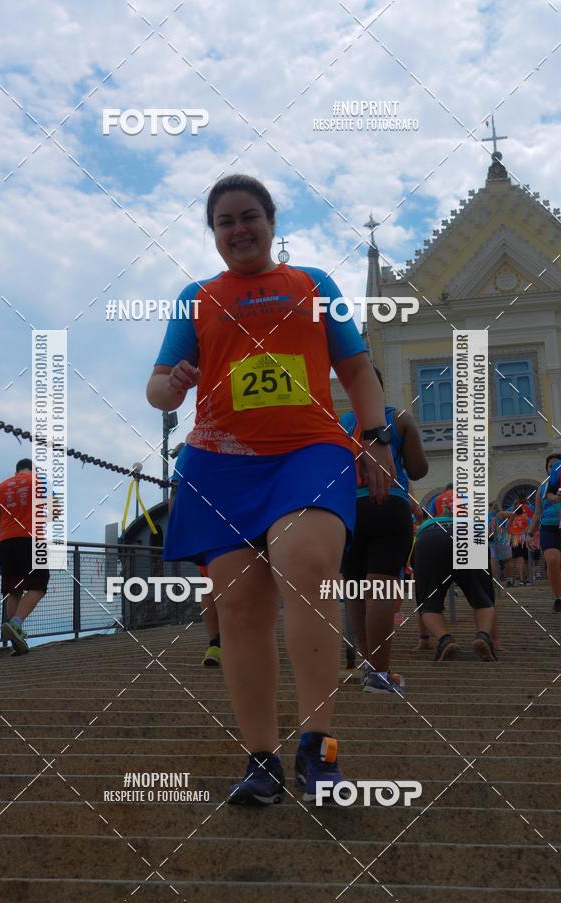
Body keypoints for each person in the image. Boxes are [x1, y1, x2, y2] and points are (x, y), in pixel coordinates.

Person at [146, 173, 394, 805]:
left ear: (272, 221)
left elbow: (359, 368)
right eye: (225, 221)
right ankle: (262, 761)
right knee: (239, 607)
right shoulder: (195, 297)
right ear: (213, 233)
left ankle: (320, 749)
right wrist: (172, 385)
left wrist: (375, 437)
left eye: (249, 216)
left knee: (306, 565)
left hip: (308, 450)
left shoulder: (314, 285)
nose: (239, 229)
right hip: (221, 461)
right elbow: (156, 389)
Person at [340, 367, 428, 694]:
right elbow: (418, 470)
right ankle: (379, 673)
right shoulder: (400, 418)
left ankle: (367, 665)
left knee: (354, 588)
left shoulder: (338, 424)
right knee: (381, 585)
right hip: (389, 503)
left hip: (348, 510)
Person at [413, 486, 497, 662]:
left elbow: (420, 598)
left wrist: (423, 638)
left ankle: (445, 639)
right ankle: (483, 636)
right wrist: (496, 640)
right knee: (483, 598)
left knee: (428, 600)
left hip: (431, 538)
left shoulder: (430, 520)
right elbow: (491, 599)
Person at [0, 459, 49, 654]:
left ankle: (16, 641)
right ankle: (16, 623)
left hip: (6, 541)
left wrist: (8, 521)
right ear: (33, 470)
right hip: (31, 538)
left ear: (16, 471)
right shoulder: (40, 483)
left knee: (14, 589)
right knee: (39, 585)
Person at [170, 442, 221, 666]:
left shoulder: (191, 447)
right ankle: (219, 643)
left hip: (206, 524)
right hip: (225, 521)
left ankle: (216, 644)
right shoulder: (192, 448)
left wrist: (176, 531)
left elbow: (175, 491)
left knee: (211, 585)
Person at [528, 453, 561, 612]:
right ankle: (558, 598)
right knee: (552, 560)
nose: (554, 468)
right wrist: (530, 533)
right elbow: (537, 513)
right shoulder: (542, 489)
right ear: (547, 469)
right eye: (551, 466)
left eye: (557, 465)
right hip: (549, 528)